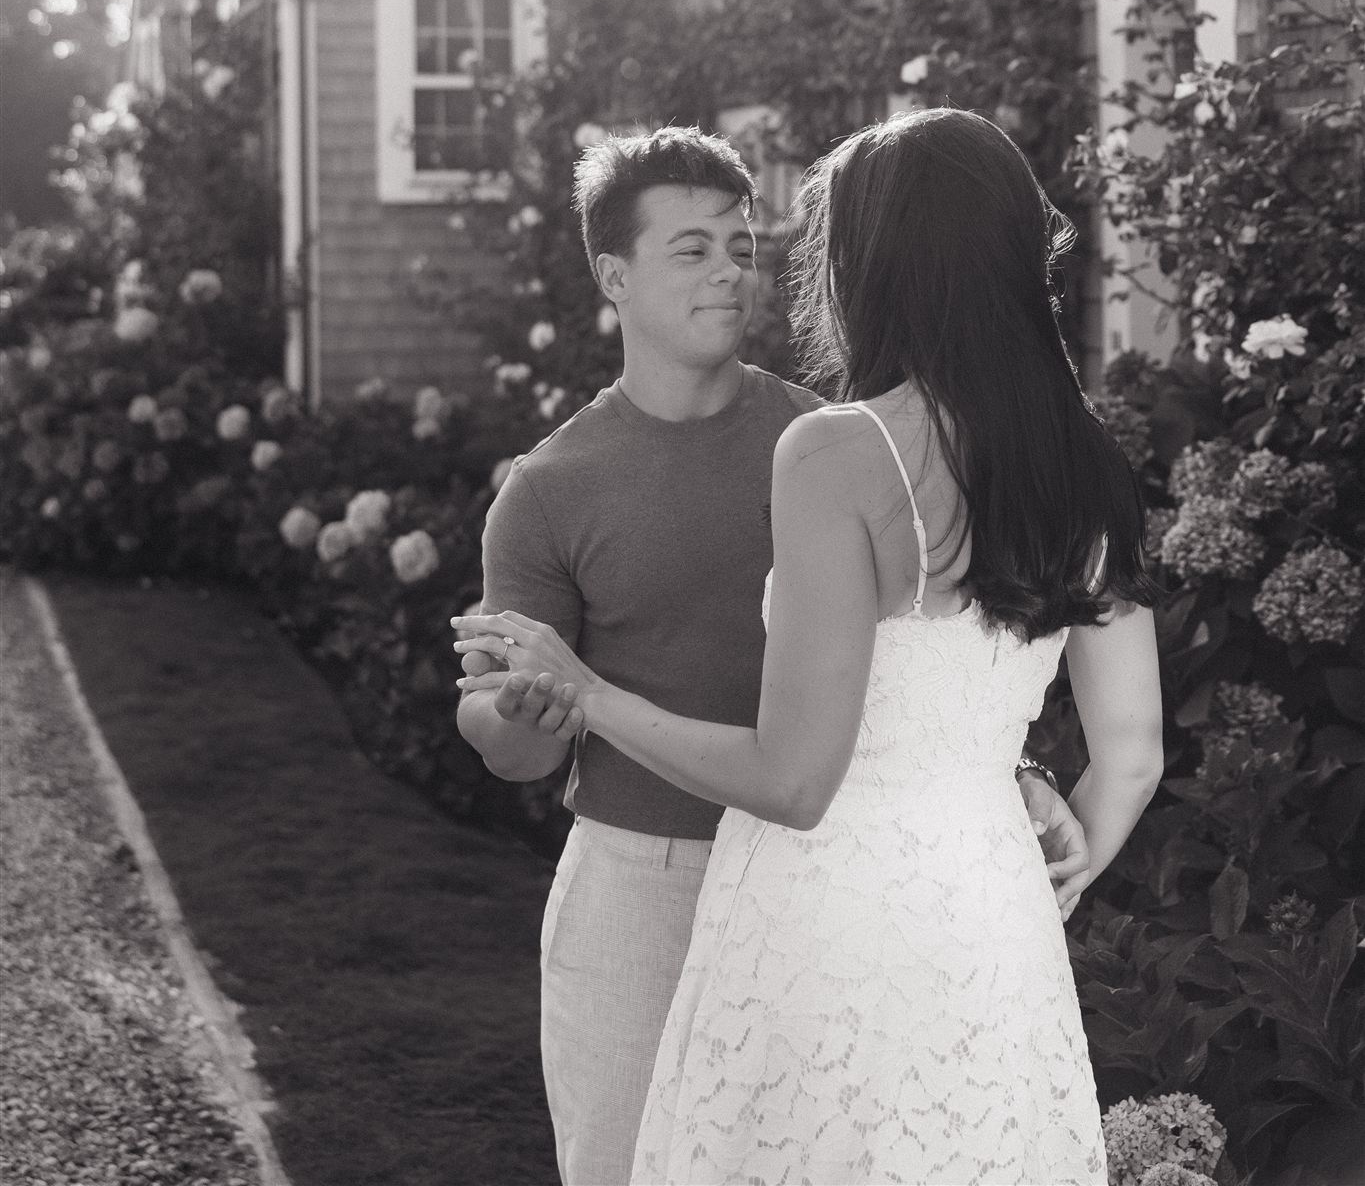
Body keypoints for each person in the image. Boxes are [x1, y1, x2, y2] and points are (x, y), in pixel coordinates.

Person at [456, 110, 1164, 1186]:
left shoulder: (836, 442)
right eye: (692, 248)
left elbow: (813, 760)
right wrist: (1023, 835)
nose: (742, 271)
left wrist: (589, 689)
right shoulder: (1078, 460)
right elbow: (1117, 744)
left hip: (815, 896)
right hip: (945, 908)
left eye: (750, 245)